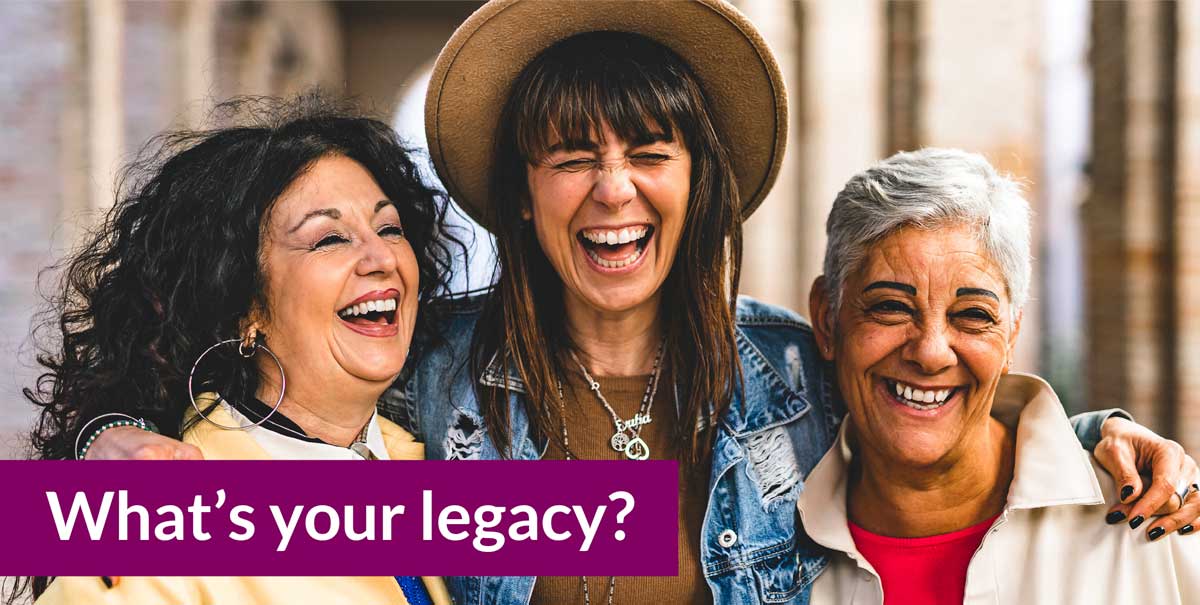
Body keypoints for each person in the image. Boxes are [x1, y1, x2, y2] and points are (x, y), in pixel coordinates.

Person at [79, 2, 1200, 604]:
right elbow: (267, 440)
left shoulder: (793, 373)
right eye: (572, 155)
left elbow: (937, 412)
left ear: (697, 181)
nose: (613, 189)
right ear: (523, 192)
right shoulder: (429, 369)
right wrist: (105, 445)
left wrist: (1099, 438)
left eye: (650, 151)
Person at [25, 96, 452, 604]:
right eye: (329, 239)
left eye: (389, 228)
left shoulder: (427, 461)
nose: (381, 257)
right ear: (243, 307)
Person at [800, 148, 1198, 604]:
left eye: (973, 314)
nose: (930, 353)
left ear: (1011, 334)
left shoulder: (1152, 529)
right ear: (828, 320)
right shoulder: (761, 550)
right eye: (890, 306)